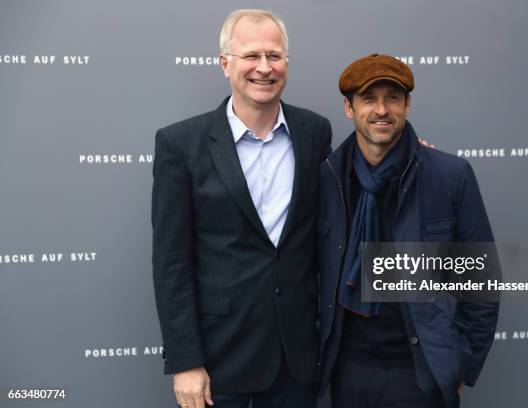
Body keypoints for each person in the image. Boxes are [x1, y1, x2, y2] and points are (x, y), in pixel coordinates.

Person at [152, 9, 331, 408]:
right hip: (218, 362)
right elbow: (171, 261)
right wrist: (186, 362)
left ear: (286, 62)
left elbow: (350, 185)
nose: (264, 68)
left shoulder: (314, 133)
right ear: (225, 63)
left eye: (274, 55)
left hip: (296, 359)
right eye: (251, 56)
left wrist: (414, 159)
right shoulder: (181, 144)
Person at [317, 54, 499, 408]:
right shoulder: (327, 177)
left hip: (421, 372)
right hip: (347, 372)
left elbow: (482, 279)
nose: (382, 109)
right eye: (369, 98)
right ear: (349, 108)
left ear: (408, 104)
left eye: (393, 98)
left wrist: (457, 365)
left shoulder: (449, 175)